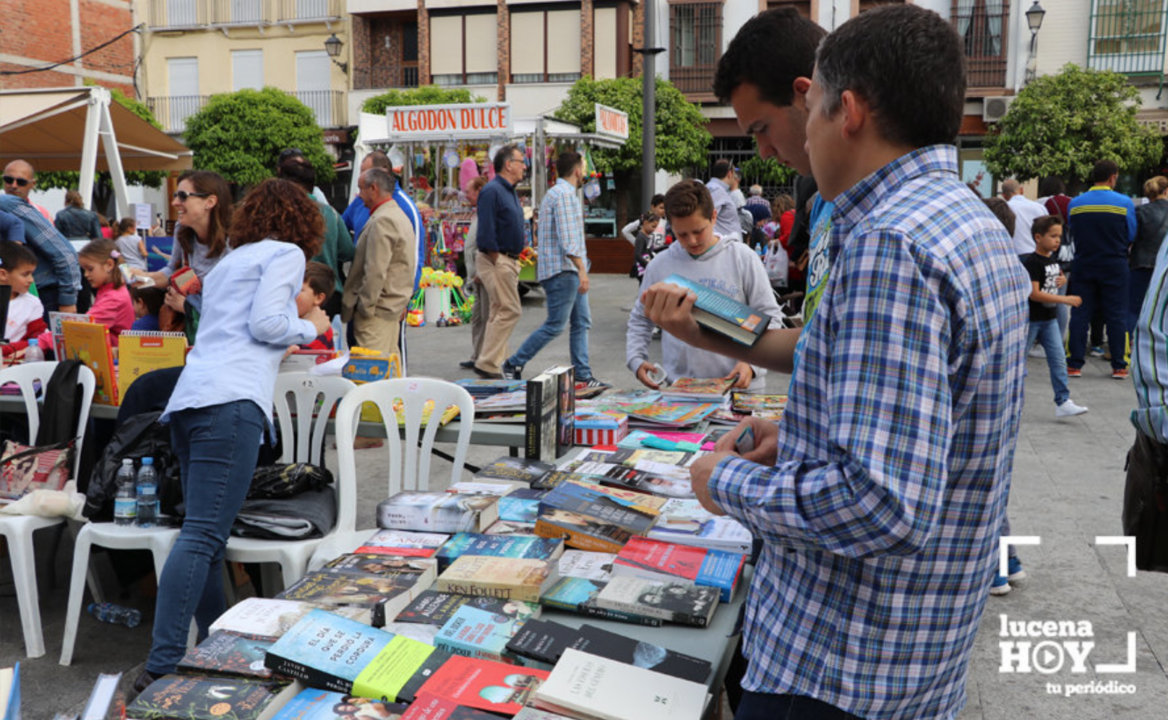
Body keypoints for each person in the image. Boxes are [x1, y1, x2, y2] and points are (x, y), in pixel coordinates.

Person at [641, 7, 1029, 718]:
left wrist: (721, 481)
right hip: (912, 654)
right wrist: (802, 437)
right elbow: (926, 426)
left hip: (841, 664)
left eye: (807, 108)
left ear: (844, 109)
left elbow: (880, 505)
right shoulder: (966, 221)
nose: (794, 137)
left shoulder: (891, 245)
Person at [132, 178, 329, 693]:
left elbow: (234, 327)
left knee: (204, 540)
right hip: (231, 401)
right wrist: (310, 325)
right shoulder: (285, 254)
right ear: (302, 221)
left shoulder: (231, 261)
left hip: (192, 400)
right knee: (203, 538)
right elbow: (267, 324)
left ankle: (211, 647)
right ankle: (164, 663)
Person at [628, 180, 781, 393]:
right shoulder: (660, 265)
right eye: (682, 234)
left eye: (698, 231)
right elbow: (640, 318)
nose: (691, 240)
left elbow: (771, 318)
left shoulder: (742, 257)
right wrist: (636, 359)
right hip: (682, 390)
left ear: (714, 217)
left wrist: (751, 365)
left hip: (739, 389)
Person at [501, 152, 607, 388]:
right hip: (564, 270)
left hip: (563, 269)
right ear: (577, 170)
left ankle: (583, 375)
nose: (585, 173)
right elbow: (569, 240)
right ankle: (514, 363)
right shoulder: (564, 196)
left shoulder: (557, 194)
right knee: (556, 324)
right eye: (583, 167)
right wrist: (581, 269)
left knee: (581, 322)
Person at [131, 170, 233, 333]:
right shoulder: (182, 229)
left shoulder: (236, 242)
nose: (175, 202)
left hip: (225, 335)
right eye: (175, 196)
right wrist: (144, 280)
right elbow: (172, 272)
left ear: (210, 201)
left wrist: (187, 306)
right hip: (196, 333)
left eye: (183, 196)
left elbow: (236, 304)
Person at [1067, 159, 1136, 379]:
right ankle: (1119, 366)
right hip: (1115, 264)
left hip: (1083, 263)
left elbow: (1071, 230)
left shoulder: (1075, 204)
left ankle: (1074, 365)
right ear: (1113, 177)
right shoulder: (1124, 203)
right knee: (1116, 315)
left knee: (1079, 313)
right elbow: (1131, 234)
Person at [341, 168, 416, 357]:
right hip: (390, 308)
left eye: (361, 189)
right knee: (388, 371)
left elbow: (375, 271)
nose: (359, 195)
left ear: (373, 188)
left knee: (371, 375)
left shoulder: (383, 220)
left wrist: (365, 308)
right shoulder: (397, 214)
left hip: (378, 313)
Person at [1022, 215, 1089, 418]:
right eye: (1053, 236)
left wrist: (1059, 280)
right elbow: (1034, 293)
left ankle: (1063, 401)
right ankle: (1009, 398)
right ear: (1038, 237)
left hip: (1049, 319)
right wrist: (1065, 300)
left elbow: (1049, 281)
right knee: (1018, 362)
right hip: (1032, 319)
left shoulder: (1051, 259)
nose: (1058, 240)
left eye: (1059, 236)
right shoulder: (1032, 262)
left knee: (1059, 360)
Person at [473, 145, 528, 379]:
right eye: (521, 161)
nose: (524, 166)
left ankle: (495, 362)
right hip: (496, 259)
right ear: (509, 164)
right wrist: (499, 260)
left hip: (505, 259)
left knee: (498, 311)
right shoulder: (493, 191)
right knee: (510, 309)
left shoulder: (507, 190)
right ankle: (487, 362)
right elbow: (485, 231)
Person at [0, 160, 82, 315]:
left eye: (21, 182)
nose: (14, 185)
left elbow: (65, 253)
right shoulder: (16, 206)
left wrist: (68, 300)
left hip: (42, 294)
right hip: (23, 293)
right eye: (8, 180)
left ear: (32, 184)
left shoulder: (8, 204)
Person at [278, 157, 354, 318]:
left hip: (289, 295)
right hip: (328, 294)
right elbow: (347, 251)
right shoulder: (330, 213)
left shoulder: (275, 215)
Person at [460, 176, 491, 370]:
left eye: (469, 191)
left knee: (487, 317)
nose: (466, 195)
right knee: (478, 317)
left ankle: (487, 357)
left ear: (479, 191)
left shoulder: (487, 212)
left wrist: (481, 270)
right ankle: (477, 355)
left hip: (483, 274)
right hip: (476, 275)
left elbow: (485, 243)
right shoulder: (478, 213)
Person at [78, 239, 135, 342]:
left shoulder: (114, 299)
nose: (85, 274)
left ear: (109, 265)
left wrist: (42, 341)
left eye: (90, 269)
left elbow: (81, 329)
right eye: (84, 270)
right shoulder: (112, 290)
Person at [1131, 176, 1168, 333]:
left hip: (1141, 264)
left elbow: (1131, 237)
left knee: (1134, 307)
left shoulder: (1140, 211)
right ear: (1166, 191)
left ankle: (1131, 341)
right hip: (1164, 267)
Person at [0, 241, 46, 357]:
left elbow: (38, 340)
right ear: (3, 274)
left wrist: (6, 350)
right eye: (25, 274)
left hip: (14, 364)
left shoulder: (32, 303)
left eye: (32, 274)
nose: (31, 280)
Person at [293, 261, 337, 351]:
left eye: (299, 290)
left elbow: (301, 360)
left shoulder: (321, 330)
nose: (290, 294)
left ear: (318, 298)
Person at [1000, 179, 1047, 256]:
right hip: (1036, 253)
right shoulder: (1039, 207)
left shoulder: (1004, 208)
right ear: (1022, 190)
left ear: (1004, 195)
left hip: (1015, 253)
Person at [705, 160, 742, 243]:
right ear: (729, 173)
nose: (735, 177)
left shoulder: (715, 188)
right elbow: (708, 218)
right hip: (725, 246)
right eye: (734, 174)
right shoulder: (716, 190)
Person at [632, 212, 663, 282]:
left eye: (656, 227)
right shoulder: (640, 237)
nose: (654, 229)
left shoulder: (647, 236)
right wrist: (648, 265)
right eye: (653, 226)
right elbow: (637, 255)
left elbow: (649, 251)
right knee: (644, 285)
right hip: (642, 267)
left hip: (647, 265)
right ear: (645, 223)